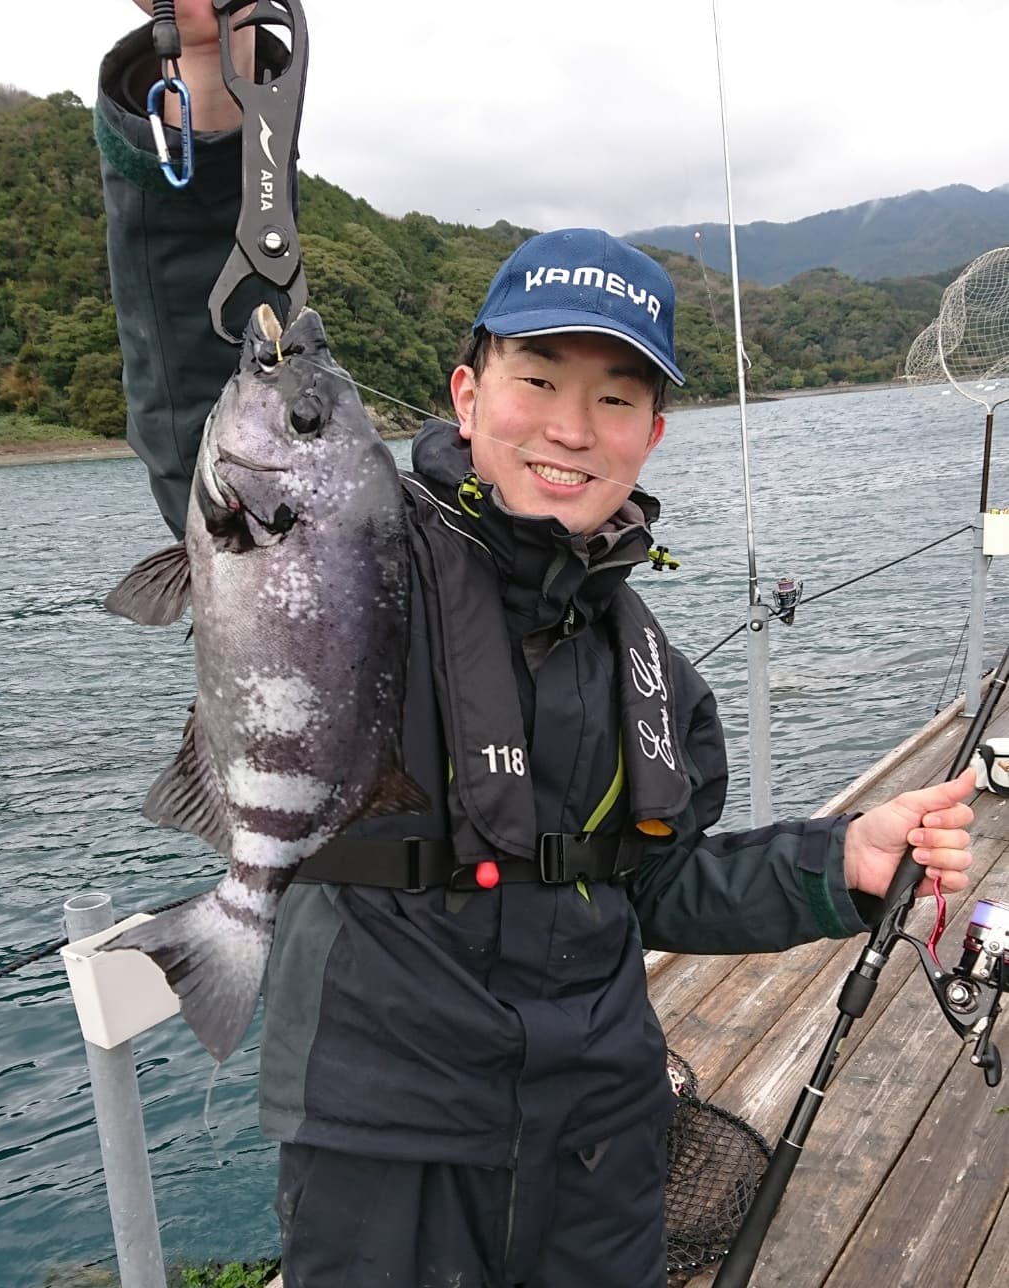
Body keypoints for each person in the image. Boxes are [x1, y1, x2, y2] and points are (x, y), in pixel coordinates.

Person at [98, 5, 976, 1285]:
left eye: (615, 394)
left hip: (603, 1138)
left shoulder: (656, 673)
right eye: (537, 378)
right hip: (379, 1134)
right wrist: (201, 77)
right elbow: (200, 365)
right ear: (465, 393)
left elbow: (657, 887)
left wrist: (835, 859)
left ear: (650, 435)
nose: (571, 424)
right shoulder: (359, 537)